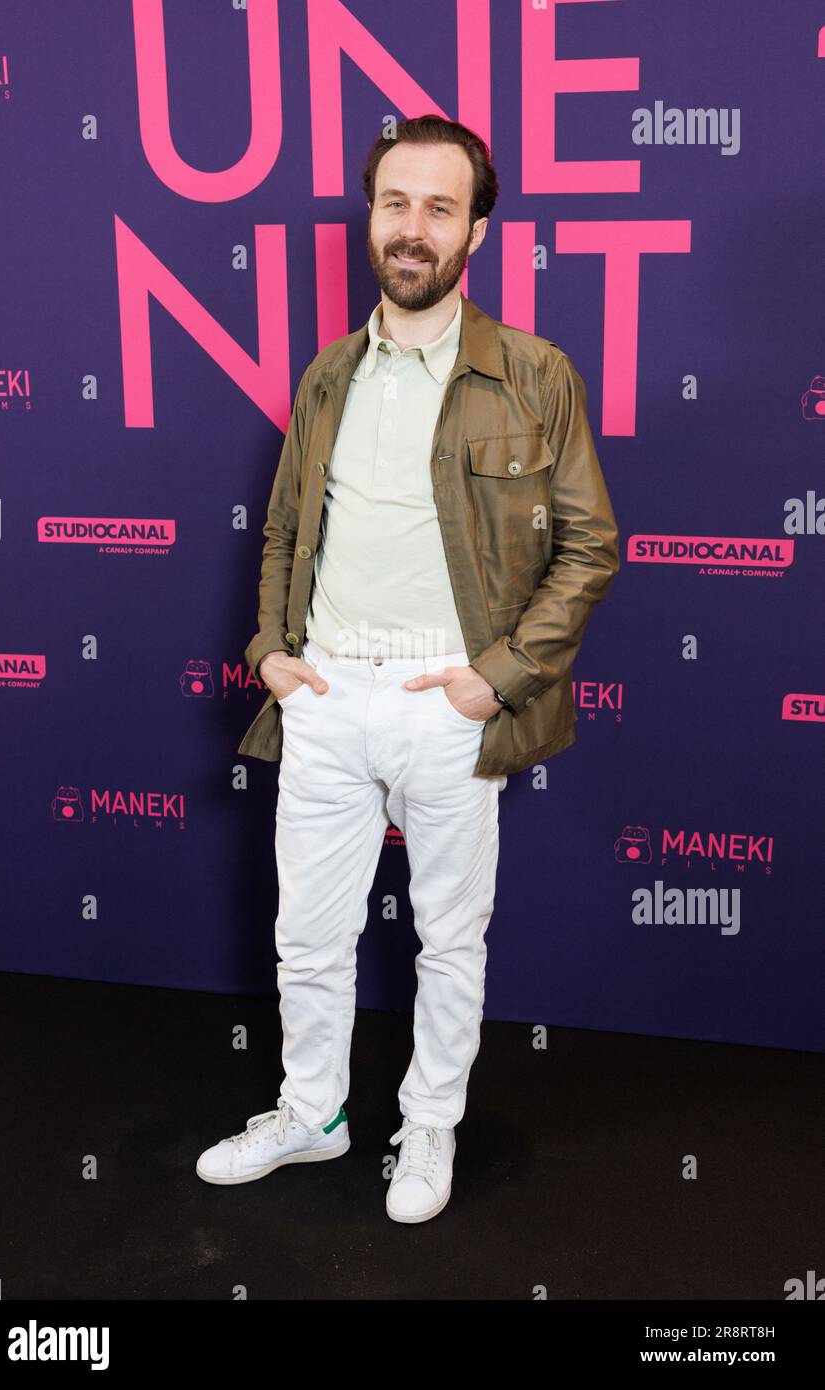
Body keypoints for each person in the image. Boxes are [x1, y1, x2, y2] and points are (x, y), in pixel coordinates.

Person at [197, 115, 620, 1222]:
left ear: (477, 226)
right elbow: (288, 530)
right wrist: (273, 655)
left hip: (450, 699)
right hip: (328, 694)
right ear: (370, 216)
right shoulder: (331, 372)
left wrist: (500, 676)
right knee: (306, 934)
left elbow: (590, 545)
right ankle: (313, 1112)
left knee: (449, 936)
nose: (412, 228)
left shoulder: (534, 373)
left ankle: (427, 1124)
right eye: (395, 203)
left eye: (440, 206)